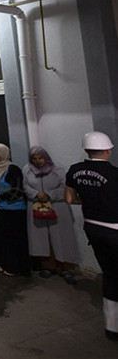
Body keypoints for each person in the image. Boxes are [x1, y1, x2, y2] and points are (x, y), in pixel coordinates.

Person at [65, 131, 118, 341]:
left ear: (87, 150)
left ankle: (112, 327)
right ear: (107, 150)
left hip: (93, 228)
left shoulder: (75, 170)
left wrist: (89, 203)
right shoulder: (114, 174)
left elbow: (69, 199)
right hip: (114, 228)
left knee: (111, 275)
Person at [23, 146, 79, 284]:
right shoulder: (27, 170)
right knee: (42, 238)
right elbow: (25, 186)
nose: (38, 162)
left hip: (57, 207)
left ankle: (64, 268)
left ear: (46, 157)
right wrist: (37, 194)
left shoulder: (57, 169)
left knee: (61, 237)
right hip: (36, 207)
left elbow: (65, 187)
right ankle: (48, 266)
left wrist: (49, 195)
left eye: (40, 158)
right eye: (34, 159)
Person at [0, 143, 29, 277]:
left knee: (12, 240)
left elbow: (17, 190)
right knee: (0, 238)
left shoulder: (12, 169)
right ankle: (2, 262)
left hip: (12, 210)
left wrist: (0, 197)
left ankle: (14, 266)